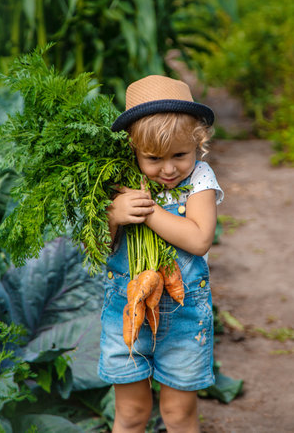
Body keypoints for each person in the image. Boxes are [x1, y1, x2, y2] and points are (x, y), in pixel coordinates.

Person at [98, 75, 224, 433]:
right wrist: (115, 215)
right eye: (153, 158)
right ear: (132, 150)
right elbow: (99, 247)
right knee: (132, 413)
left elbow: (199, 240)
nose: (169, 170)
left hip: (184, 318)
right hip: (127, 310)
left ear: (197, 145)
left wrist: (150, 210)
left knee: (178, 414)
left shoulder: (199, 179)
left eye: (180, 155)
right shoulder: (116, 181)